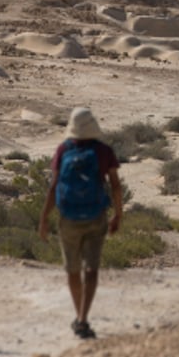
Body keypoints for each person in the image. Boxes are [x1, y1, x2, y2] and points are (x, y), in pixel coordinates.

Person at [38, 107, 123, 340]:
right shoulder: (103, 151)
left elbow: (54, 186)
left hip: (68, 218)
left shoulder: (63, 150)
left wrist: (44, 218)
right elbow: (115, 185)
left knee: (72, 269)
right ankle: (84, 319)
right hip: (96, 216)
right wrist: (118, 215)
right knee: (92, 269)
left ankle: (78, 316)